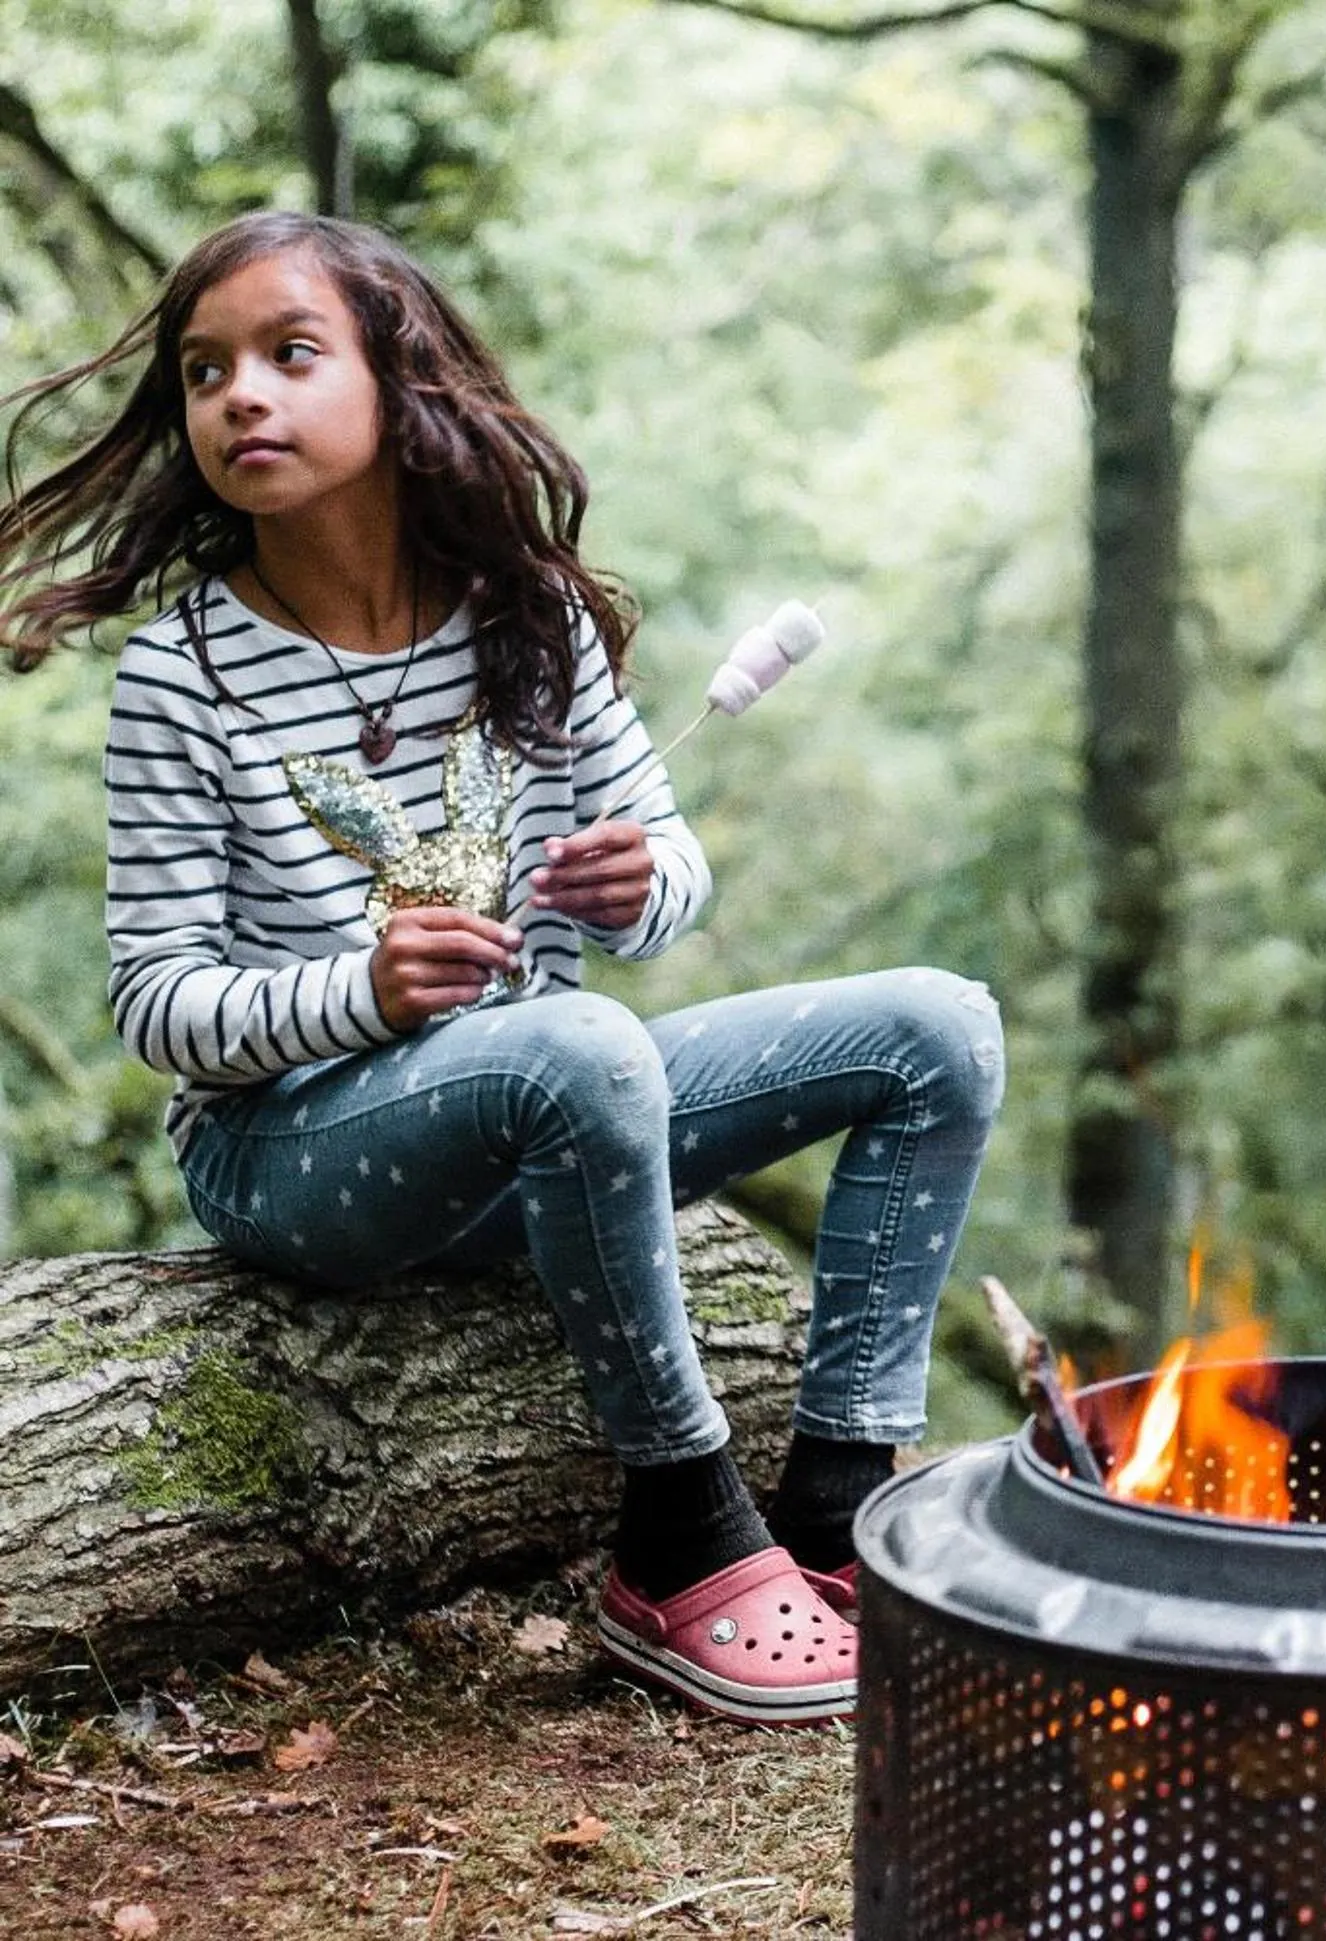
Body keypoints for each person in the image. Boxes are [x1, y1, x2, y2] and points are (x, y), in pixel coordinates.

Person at [0, 210, 1007, 1727]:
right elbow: (158, 1005)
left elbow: (667, 868)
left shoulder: (526, 617)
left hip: (546, 1109)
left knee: (940, 1028)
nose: (240, 395)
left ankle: (837, 1508)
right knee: (582, 1046)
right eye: (205, 372)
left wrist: (640, 882)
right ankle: (678, 1535)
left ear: (398, 384)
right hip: (291, 1157)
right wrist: (365, 991)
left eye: (289, 354)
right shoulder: (178, 680)